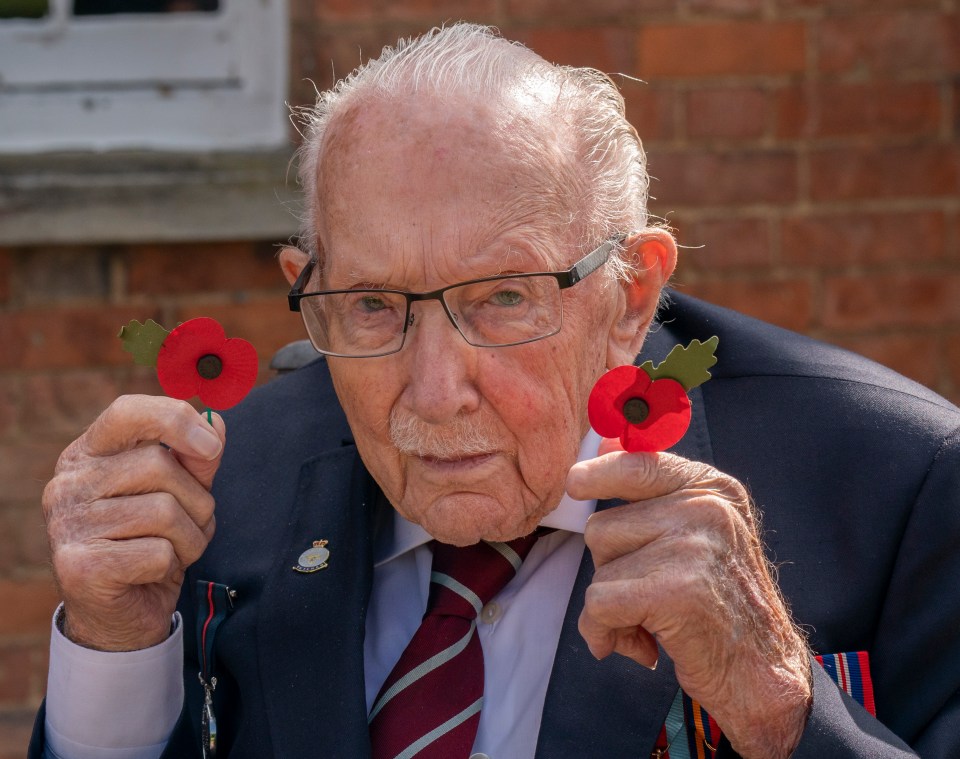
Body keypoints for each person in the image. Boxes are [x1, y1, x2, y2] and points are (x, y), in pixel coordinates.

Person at [29, 23, 960, 759]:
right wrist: (116, 648)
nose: (434, 395)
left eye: (505, 298)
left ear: (630, 294)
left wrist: (779, 706)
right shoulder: (219, 486)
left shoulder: (896, 485)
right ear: (308, 283)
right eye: (371, 306)